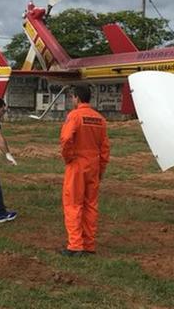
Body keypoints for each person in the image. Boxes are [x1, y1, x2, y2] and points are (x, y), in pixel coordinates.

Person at [59, 85, 110, 257]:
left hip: (77, 165)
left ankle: (75, 245)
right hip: (93, 165)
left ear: (77, 98)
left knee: (73, 204)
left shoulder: (74, 116)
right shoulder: (100, 119)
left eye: (72, 97)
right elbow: (105, 149)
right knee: (90, 205)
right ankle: (89, 244)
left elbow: (66, 139)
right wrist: (100, 170)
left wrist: (68, 157)